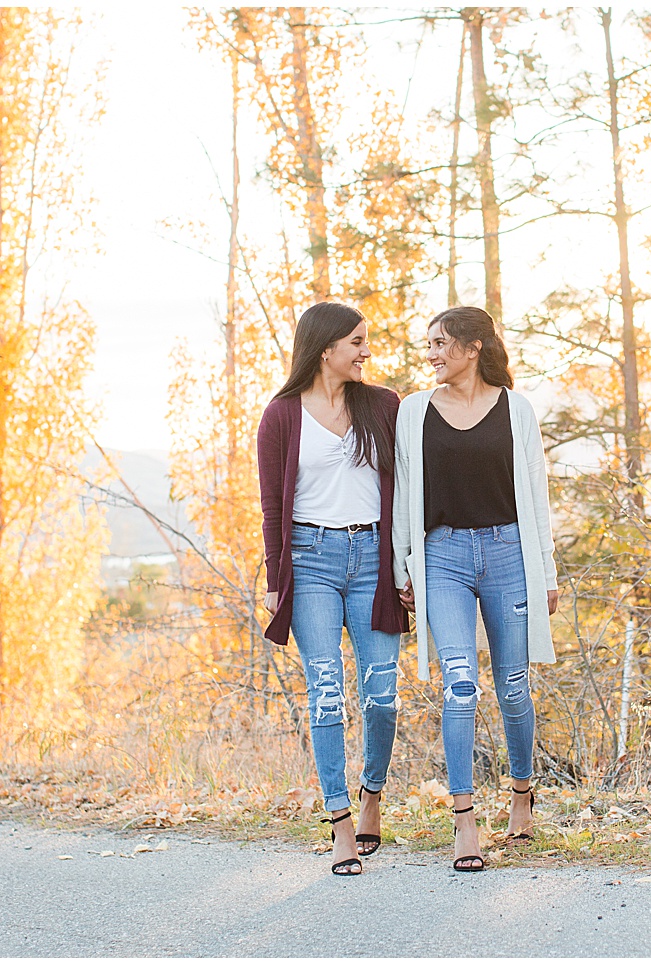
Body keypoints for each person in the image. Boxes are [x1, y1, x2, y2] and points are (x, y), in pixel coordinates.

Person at [392, 305, 559, 872]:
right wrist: (402, 569)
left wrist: (548, 573)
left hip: (510, 552)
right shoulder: (414, 412)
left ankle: (521, 796)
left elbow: (536, 497)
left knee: (514, 686)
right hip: (443, 557)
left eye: (441, 343)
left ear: (473, 347)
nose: (433, 354)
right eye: (430, 344)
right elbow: (402, 499)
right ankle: (464, 820)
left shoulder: (516, 410)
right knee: (460, 685)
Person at [257, 301, 408, 876]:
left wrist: (406, 566)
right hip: (311, 562)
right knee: (325, 692)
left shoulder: (383, 405)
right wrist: (277, 581)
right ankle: (340, 823)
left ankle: (372, 795)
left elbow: (407, 486)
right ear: (326, 349)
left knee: (382, 693)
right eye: (357, 342)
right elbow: (273, 505)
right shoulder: (282, 415)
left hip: (373, 558)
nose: (366, 351)